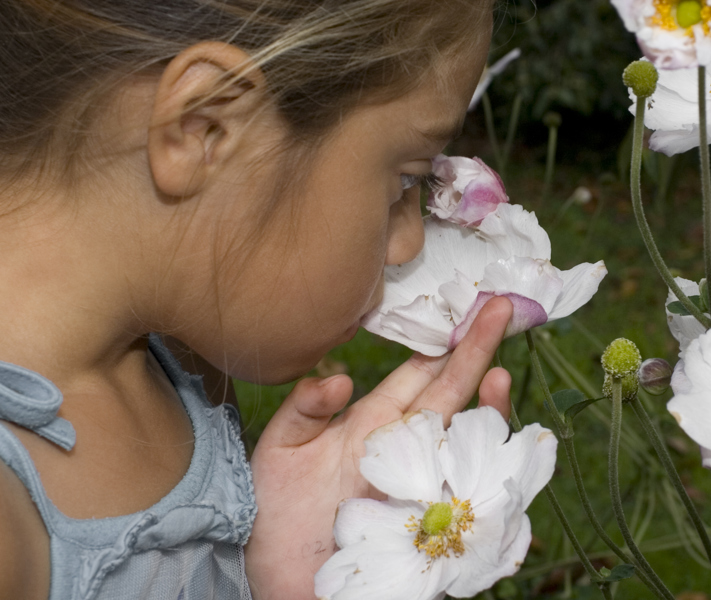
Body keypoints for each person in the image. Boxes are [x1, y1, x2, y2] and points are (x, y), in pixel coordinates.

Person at [0, 1, 515, 598]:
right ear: (207, 127)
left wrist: (273, 574)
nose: (408, 243)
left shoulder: (182, 364)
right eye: (406, 178)